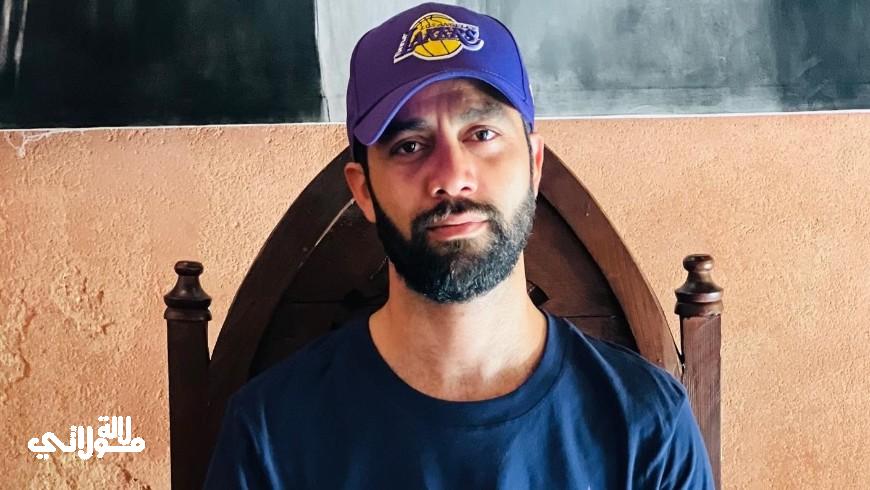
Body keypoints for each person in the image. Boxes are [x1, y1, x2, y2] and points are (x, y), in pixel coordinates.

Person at [203, 3, 714, 488]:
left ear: (534, 166)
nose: (451, 176)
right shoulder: (271, 433)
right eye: (410, 145)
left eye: (482, 133)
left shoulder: (647, 424)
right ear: (364, 191)